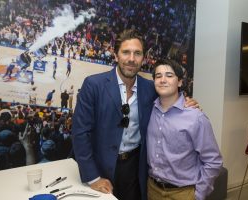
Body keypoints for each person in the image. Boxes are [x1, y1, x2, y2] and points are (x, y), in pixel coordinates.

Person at [72, 29, 198, 200]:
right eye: (126, 52)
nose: (131, 59)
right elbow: (80, 133)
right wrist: (93, 177)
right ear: (116, 55)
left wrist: (187, 103)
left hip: (135, 167)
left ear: (143, 58)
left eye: (137, 53)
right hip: (100, 166)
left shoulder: (151, 88)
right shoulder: (93, 85)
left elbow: (171, 99)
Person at [147, 59, 223, 200]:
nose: (163, 80)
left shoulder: (196, 117)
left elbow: (213, 161)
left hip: (183, 193)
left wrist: (198, 195)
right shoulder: (149, 110)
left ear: (180, 82)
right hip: (152, 190)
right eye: (158, 76)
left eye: (169, 75)